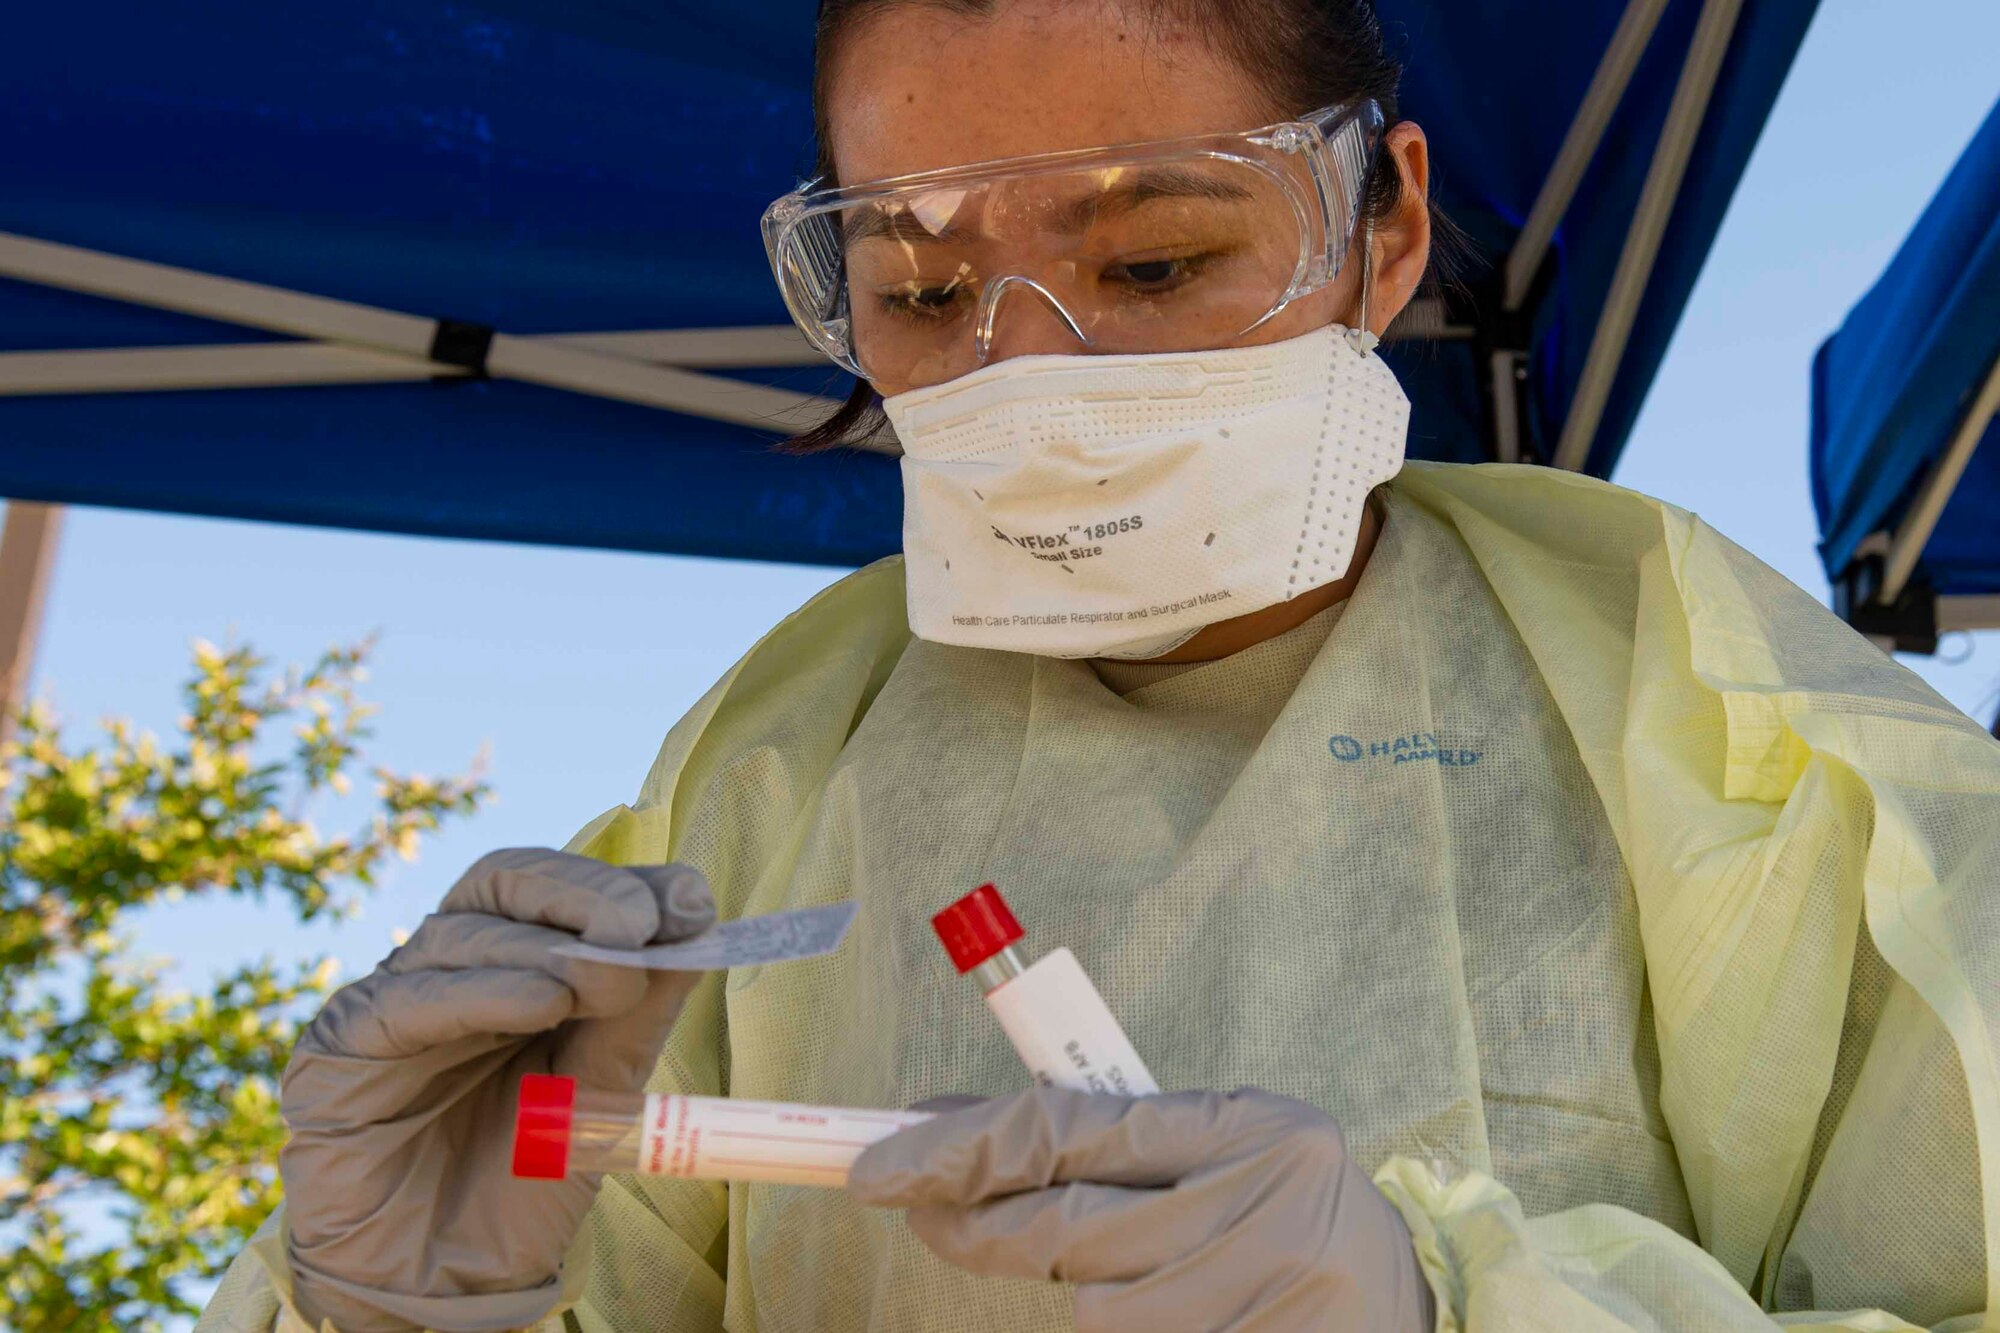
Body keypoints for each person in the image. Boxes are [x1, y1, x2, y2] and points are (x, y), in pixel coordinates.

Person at [199, 2, 1998, 1330]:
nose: (1033, 379)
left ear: (1382, 231)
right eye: (922, 292)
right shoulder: (774, 769)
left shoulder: (1706, 720)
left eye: (1154, 258)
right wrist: (395, 1308)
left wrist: (1456, 1309)